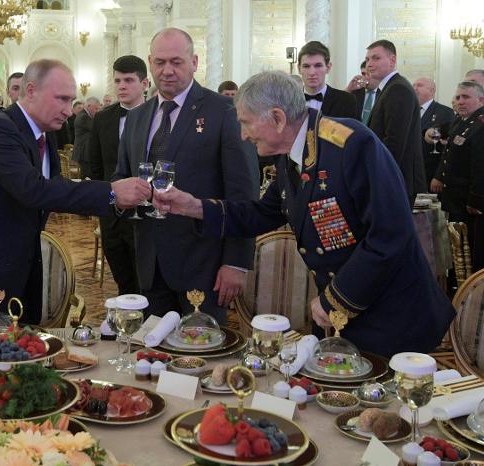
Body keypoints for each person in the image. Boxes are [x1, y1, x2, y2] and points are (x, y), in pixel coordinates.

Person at [153, 71, 455, 357]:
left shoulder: (351, 144)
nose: (243, 135)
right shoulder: (293, 157)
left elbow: (390, 234)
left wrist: (334, 299)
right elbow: (260, 213)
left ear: (277, 118)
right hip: (350, 313)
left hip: (393, 313)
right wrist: (193, 206)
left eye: (246, 123)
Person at [0, 59, 150, 327]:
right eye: (61, 99)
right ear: (30, 91)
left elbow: (55, 190)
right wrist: (110, 192)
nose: (68, 110)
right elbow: (34, 190)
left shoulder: (45, 135)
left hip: (13, 268)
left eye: (70, 100)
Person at [112, 28, 257, 324]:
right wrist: (118, 198)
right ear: (150, 63)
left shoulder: (224, 110)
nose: (167, 71)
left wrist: (236, 262)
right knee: (153, 353)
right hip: (149, 265)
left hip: (205, 264)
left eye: (176, 62)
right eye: (160, 62)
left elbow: (243, 192)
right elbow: (121, 177)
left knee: (203, 353)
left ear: (194, 61)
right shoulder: (137, 117)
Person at [89, 55, 149, 295]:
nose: (121, 86)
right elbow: (95, 166)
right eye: (117, 81)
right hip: (112, 215)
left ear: (144, 84)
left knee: (147, 283)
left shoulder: (158, 116)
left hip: (146, 215)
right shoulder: (103, 118)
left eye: (128, 80)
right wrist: (109, 202)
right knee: (123, 281)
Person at [431, 81, 484, 272]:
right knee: (459, 247)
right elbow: (448, 153)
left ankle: (471, 290)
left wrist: (476, 200)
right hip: (455, 198)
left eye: (466, 97)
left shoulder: (480, 125)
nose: (460, 101)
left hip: (469, 202)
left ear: (481, 100)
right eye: (458, 97)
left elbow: (480, 167)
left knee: (471, 250)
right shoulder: (461, 121)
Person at [365, 39, 426, 205]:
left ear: (392, 60)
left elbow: (394, 142)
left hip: (396, 180)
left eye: (376, 58)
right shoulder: (390, 88)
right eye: (368, 59)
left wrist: (379, 178)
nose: (369, 64)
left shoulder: (397, 89)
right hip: (393, 178)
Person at [298, 41, 358, 119]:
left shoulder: (347, 101)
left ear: (328, 67)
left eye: (318, 66)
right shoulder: (288, 102)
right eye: (306, 66)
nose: (312, 72)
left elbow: (355, 130)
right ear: (299, 69)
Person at [413, 77, 455, 186]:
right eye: (414, 85)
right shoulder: (407, 111)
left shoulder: (445, 112)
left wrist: (439, 176)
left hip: (431, 171)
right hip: (409, 170)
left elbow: (447, 147)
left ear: (432, 91)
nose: (414, 88)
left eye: (419, 85)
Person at [72, 96, 100, 178]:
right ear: (88, 106)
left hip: (84, 152)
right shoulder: (83, 117)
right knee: (87, 176)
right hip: (83, 152)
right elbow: (95, 129)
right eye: (96, 109)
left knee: (87, 176)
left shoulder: (84, 115)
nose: (97, 111)